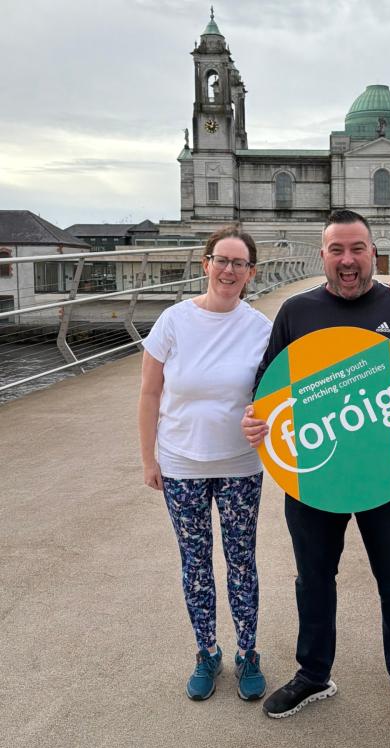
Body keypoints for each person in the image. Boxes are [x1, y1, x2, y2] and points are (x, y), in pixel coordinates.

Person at [242, 209, 390, 745]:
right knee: (313, 579)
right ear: (323, 256)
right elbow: (268, 385)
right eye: (337, 250)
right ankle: (314, 674)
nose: (348, 260)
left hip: (388, 471)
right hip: (316, 475)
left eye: (357, 248)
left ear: (372, 251)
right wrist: (257, 420)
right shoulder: (295, 310)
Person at [138, 224, 272, 702]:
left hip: (239, 464)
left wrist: (389, 288)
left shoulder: (260, 328)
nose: (229, 270)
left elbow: (281, 392)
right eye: (222, 260)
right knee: (195, 564)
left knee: (241, 562)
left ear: (251, 272)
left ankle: (248, 653)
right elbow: (150, 392)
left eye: (239, 263)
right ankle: (206, 651)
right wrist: (148, 457)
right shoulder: (173, 321)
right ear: (205, 264)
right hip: (181, 464)